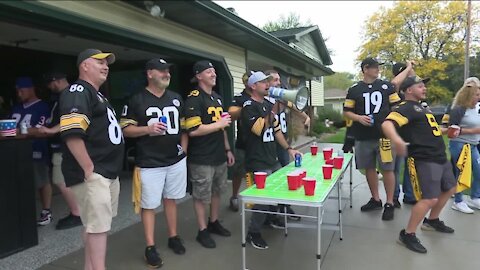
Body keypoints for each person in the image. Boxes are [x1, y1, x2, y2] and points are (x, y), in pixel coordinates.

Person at [59, 49, 124, 270]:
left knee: (96, 227)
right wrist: (89, 169)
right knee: (97, 229)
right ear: (84, 66)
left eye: (107, 63)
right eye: (99, 62)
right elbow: (72, 132)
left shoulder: (97, 94)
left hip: (106, 172)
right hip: (95, 173)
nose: (105, 66)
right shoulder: (78, 90)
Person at [120, 58, 188, 268]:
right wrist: (147, 130)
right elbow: (125, 129)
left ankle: (173, 236)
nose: (166, 74)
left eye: (168, 70)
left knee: (171, 199)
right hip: (149, 162)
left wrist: (184, 150)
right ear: (150, 73)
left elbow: (184, 127)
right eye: (161, 71)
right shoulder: (136, 99)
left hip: (175, 160)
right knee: (148, 205)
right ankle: (150, 246)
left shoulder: (176, 97)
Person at [382, 75, 455, 253]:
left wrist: (447, 131)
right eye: (420, 86)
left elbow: (432, 130)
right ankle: (408, 234)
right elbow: (387, 124)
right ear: (408, 90)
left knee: (450, 188)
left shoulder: (422, 108)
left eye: (424, 86)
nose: (425, 89)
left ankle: (432, 221)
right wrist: (397, 141)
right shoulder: (405, 107)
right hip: (424, 158)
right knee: (429, 198)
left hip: (439, 156)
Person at [242, 71, 301, 249]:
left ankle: (270, 219)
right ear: (253, 86)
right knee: (262, 199)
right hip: (257, 159)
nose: (268, 85)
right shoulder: (249, 106)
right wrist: (270, 109)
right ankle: (254, 232)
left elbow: (276, 132)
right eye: (263, 82)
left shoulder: (268, 105)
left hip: (271, 157)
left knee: (277, 192)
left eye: (268, 82)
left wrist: (289, 149)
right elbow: (258, 129)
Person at [184, 60, 235, 249]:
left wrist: (228, 149)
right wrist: (218, 125)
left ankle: (213, 222)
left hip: (219, 154)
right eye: (208, 72)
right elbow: (193, 130)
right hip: (202, 157)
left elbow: (222, 130)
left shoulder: (217, 97)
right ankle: (202, 230)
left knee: (217, 191)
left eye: (214, 71)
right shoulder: (194, 98)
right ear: (199, 76)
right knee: (201, 195)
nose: (213, 74)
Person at [343, 57, 400, 220]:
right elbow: (347, 111)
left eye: (378, 67)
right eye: (374, 67)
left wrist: (391, 121)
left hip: (384, 136)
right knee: (368, 167)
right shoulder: (354, 89)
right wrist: (359, 118)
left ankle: (390, 202)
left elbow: (396, 106)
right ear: (365, 69)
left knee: (388, 168)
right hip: (363, 135)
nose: (378, 70)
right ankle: (375, 199)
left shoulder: (387, 86)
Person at [38, 72, 82, 230]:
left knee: (59, 179)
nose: (49, 88)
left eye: (49, 84)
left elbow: (71, 119)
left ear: (55, 81)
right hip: (71, 144)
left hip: (65, 144)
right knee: (74, 179)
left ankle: (77, 213)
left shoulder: (67, 96)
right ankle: (80, 210)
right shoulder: (73, 94)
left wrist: (50, 131)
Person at [264, 69, 310, 222]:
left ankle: (284, 206)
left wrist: (305, 116)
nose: (279, 82)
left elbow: (294, 106)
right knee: (272, 179)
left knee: (286, 176)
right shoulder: (265, 101)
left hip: (283, 142)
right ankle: (271, 212)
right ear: (267, 82)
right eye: (275, 80)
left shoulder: (281, 99)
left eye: (278, 79)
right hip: (271, 143)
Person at [10, 77, 52, 225]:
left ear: (30, 89)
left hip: (36, 149)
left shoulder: (42, 106)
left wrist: (20, 132)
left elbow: (41, 130)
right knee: (21, 183)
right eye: (17, 91)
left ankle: (46, 211)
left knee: (41, 180)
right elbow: (8, 130)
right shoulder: (16, 108)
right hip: (16, 151)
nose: (19, 93)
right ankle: (23, 213)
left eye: (21, 90)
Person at [448, 77, 480, 214]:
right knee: (461, 173)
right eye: (477, 94)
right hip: (460, 144)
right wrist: (470, 131)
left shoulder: (477, 108)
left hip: (473, 145)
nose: (479, 97)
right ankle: (458, 201)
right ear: (469, 95)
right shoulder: (458, 109)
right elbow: (451, 132)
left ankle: (475, 197)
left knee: (478, 171)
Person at [391, 61, 417, 206]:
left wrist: (411, 68)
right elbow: (395, 82)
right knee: (395, 167)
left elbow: (416, 80)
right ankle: (394, 197)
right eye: (406, 73)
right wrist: (408, 68)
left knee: (410, 166)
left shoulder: (412, 91)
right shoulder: (392, 91)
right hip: (397, 135)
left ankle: (409, 195)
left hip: (411, 134)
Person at [228, 72, 251, 212]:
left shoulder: (264, 96)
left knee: (257, 172)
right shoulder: (239, 98)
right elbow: (231, 114)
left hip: (260, 143)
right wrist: (248, 107)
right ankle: (234, 197)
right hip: (243, 142)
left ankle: (255, 199)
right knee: (238, 172)